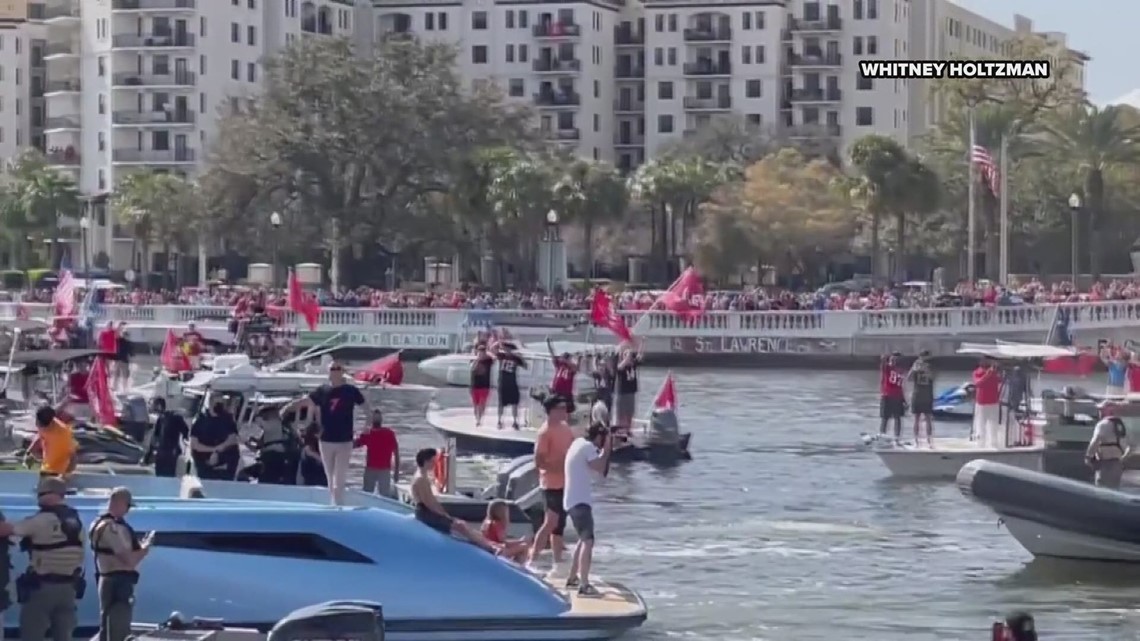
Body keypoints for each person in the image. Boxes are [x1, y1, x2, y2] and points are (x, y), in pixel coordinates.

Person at [0, 476, 85, 641]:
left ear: (51, 494)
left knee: (32, 633)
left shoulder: (41, 520)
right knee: (63, 635)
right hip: (69, 589)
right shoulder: (76, 520)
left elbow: (8, 530)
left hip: (42, 588)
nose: (38, 498)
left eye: (40, 494)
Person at [297, 362, 368, 505]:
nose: (335, 371)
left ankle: (338, 505)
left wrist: (367, 426)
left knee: (339, 478)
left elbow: (367, 408)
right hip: (326, 440)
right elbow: (308, 403)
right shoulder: (322, 390)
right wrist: (291, 410)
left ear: (342, 372)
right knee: (329, 477)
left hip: (344, 440)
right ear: (328, 372)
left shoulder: (351, 390)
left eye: (338, 368)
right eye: (332, 369)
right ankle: (334, 503)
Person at [89, 487, 152, 641]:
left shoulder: (100, 523)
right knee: (118, 627)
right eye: (128, 506)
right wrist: (145, 548)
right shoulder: (111, 528)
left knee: (107, 628)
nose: (128, 511)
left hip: (109, 579)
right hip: (117, 582)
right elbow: (128, 560)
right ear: (120, 503)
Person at [409, 448, 495, 552]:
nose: (434, 464)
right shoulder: (421, 479)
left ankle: (487, 543)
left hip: (425, 512)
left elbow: (430, 501)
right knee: (460, 525)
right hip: (426, 514)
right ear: (426, 461)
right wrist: (445, 515)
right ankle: (488, 547)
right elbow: (429, 503)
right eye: (433, 461)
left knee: (461, 524)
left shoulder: (421, 476)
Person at [563, 422, 614, 596]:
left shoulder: (578, 443)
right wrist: (607, 448)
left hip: (572, 500)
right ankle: (584, 585)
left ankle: (572, 577)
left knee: (582, 538)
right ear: (599, 437)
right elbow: (599, 468)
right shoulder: (587, 447)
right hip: (579, 502)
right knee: (588, 541)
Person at [526, 395, 575, 570]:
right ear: (551, 410)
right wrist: (557, 466)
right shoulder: (545, 432)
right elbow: (539, 461)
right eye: (561, 408)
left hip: (566, 482)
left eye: (565, 407)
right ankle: (533, 558)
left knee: (560, 524)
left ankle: (557, 561)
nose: (565, 411)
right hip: (550, 483)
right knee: (551, 521)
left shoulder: (566, 429)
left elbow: (571, 451)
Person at [189, 400, 239, 480]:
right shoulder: (200, 420)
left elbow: (233, 439)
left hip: (224, 464)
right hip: (203, 464)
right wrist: (213, 450)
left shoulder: (228, 419)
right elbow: (194, 444)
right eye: (214, 398)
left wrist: (218, 451)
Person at [354, 409, 399, 497]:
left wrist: (396, 471)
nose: (376, 420)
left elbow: (396, 452)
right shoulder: (368, 433)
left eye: (378, 418)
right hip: (371, 468)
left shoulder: (389, 433)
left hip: (384, 469)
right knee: (367, 494)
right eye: (375, 418)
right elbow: (355, 444)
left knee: (384, 496)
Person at [1086, 402, 1130, 489]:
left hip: (1104, 463)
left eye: (1101, 409)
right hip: (1117, 463)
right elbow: (1129, 445)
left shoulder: (1102, 424)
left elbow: (1096, 441)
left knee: (1101, 489)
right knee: (1114, 490)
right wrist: (1123, 458)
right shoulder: (1122, 425)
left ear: (1107, 411)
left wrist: (1088, 456)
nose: (1099, 412)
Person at [26, 407, 77, 478]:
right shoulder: (41, 424)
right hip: (45, 469)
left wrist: (65, 475)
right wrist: (30, 452)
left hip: (58, 472)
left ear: (51, 423)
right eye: (37, 423)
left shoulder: (63, 433)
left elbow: (73, 457)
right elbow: (40, 436)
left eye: (42, 426)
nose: (38, 426)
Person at [149, 398, 188, 478]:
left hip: (170, 452)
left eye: (154, 405)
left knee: (168, 474)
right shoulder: (161, 419)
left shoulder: (175, 417)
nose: (152, 408)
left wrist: (185, 439)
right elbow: (156, 437)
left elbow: (185, 430)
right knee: (161, 475)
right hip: (163, 452)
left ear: (159, 406)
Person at [254, 405, 291, 485]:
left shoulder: (275, 423)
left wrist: (257, 414)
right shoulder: (276, 425)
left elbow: (260, 422)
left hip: (273, 454)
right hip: (270, 454)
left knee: (269, 478)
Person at [613, 342, 643, 435]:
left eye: (630, 356)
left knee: (630, 413)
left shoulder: (633, 365)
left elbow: (639, 355)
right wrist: (626, 354)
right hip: (622, 393)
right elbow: (620, 367)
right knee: (621, 414)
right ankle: (620, 432)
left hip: (631, 393)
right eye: (626, 355)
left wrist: (642, 343)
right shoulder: (621, 366)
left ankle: (628, 431)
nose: (629, 357)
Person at [495, 342, 527, 429]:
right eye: (505, 349)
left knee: (515, 402)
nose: (507, 351)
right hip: (503, 382)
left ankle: (515, 421)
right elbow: (493, 350)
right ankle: (499, 421)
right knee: (501, 403)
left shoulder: (515, 358)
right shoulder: (501, 356)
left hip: (512, 382)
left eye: (508, 349)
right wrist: (498, 342)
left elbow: (525, 366)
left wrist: (521, 357)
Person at [907, 350, 935, 447]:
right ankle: (916, 440)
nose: (922, 360)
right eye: (921, 357)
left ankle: (929, 440)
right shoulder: (916, 366)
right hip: (917, 394)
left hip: (927, 395)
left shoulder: (931, 366)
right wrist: (914, 369)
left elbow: (933, 377)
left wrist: (926, 370)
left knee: (928, 418)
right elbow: (908, 378)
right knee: (916, 418)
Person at [973, 357, 1003, 447]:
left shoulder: (995, 373)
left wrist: (997, 371)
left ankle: (994, 443)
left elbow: (1001, 380)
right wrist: (988, 374)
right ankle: (980, 443)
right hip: (981, 403)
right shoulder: (977, 372)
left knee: (994, 424)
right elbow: (978, 383)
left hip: (993, 402)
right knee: (980, 424)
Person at [878, 353, 906, 439]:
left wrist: (904, 399)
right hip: (888, 395)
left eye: (896, 359)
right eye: (893, 359)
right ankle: (883, 434)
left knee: (896, 418)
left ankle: (896, 436)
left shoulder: (899, 370)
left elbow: (901, 386)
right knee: (886, 417)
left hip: (896, 396)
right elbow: (883, 362)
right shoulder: (888, 368)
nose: (895, 360)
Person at [547, 338, 580, 404]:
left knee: (565, 410)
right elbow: (552, 355)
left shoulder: (571, 368)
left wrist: (567, 361)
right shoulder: (559, 365)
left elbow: (576, 368)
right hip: (556, 392)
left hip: (566, 394)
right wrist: (549, 344)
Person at [469, 343, 494, 427]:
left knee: (482, 404)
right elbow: (472, 368)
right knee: (475, 405)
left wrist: (487, 354)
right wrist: (477, 359)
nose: (481, 353)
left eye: (483, 351)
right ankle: (477, 418)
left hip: (485, 386)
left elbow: (494, 357)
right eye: (479, 351)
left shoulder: (488, 361)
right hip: (474, 385)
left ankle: (479, 420)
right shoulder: (473, 360)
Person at [112, 325, 132, 394]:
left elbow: (131, 353)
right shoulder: (124, 342)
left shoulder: (119, 341)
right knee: (122, 375)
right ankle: (121, 388)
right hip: (122, 360)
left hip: (120, 359)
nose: (125, 335)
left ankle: (118, 388)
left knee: (119, 375)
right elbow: (131, 353)